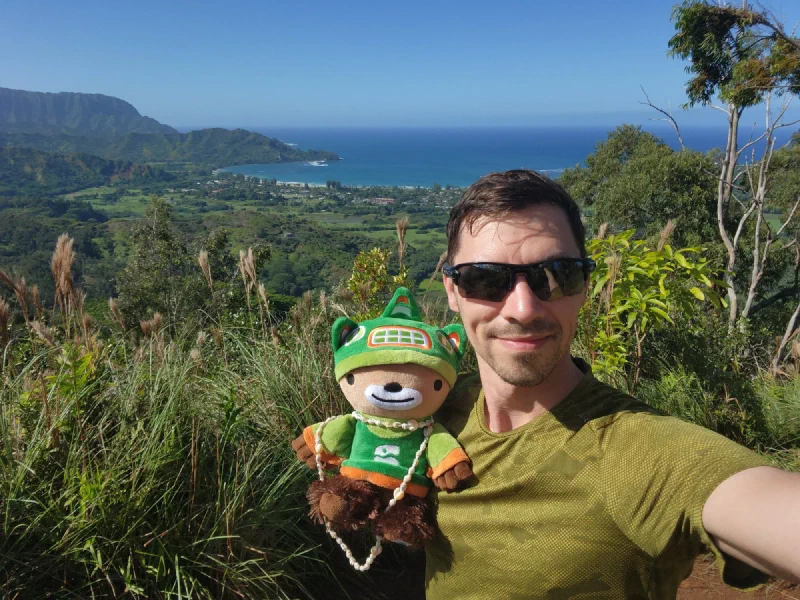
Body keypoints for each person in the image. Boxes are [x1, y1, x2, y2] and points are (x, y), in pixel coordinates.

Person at [424, 169, 800, 599]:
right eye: (486, 278)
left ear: (585, 284)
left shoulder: (641, 452)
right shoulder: (434, 406)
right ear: (452, 290)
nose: (523, 308)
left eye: (556, 274)